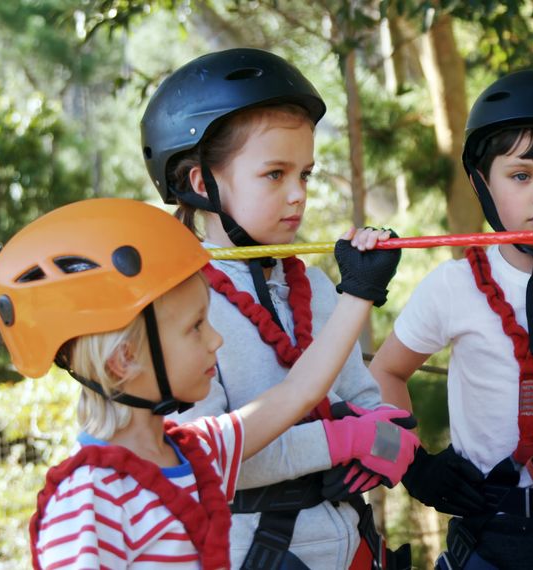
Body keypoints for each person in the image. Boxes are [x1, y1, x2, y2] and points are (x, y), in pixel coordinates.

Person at [0, 198, 412, 569]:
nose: (217, 339)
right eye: (196, 327)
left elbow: (298, 392)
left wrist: (360, 292)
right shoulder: (87, 506)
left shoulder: (198, 453)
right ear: (124, 360)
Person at [139, 48, 417, 569]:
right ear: (202, 184)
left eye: (306, 175)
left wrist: (385, 430)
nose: (298, 195)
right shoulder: (179, 305)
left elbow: (360, 396)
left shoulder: (311, 282)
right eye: (274, 174)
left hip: (353, 544)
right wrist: (341, 441)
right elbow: (216, 459)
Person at [369, 69, 533, 569]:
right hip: (487, 534)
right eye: (521, 176)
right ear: (481, 184)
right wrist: (414, 466)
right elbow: (383, 373)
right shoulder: (453, 286)